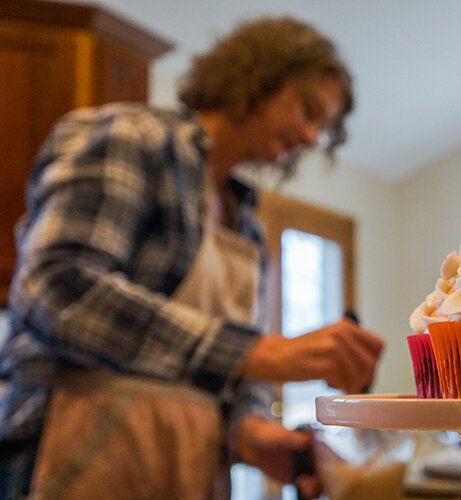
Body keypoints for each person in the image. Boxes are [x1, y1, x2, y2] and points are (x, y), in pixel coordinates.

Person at [0, 16, 383, 500]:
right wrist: (261, 352)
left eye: (321, 130)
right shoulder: (131, 136)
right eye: (307, 110)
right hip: (71, 452)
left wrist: (249, 432)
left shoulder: (246, 222)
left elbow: (231, 375)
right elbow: (56, 287)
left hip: (190, 471)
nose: (310, 138)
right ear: (255, 77)